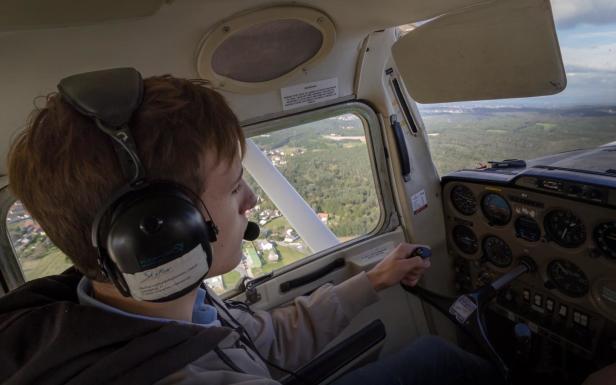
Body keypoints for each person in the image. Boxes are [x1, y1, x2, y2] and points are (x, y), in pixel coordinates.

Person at [0, 70, 498, 385]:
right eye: (235, 185)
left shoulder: (137, 307)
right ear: (161, 229)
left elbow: (267, 339)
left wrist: (372, 281)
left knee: (437, 357)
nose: (250, 200)